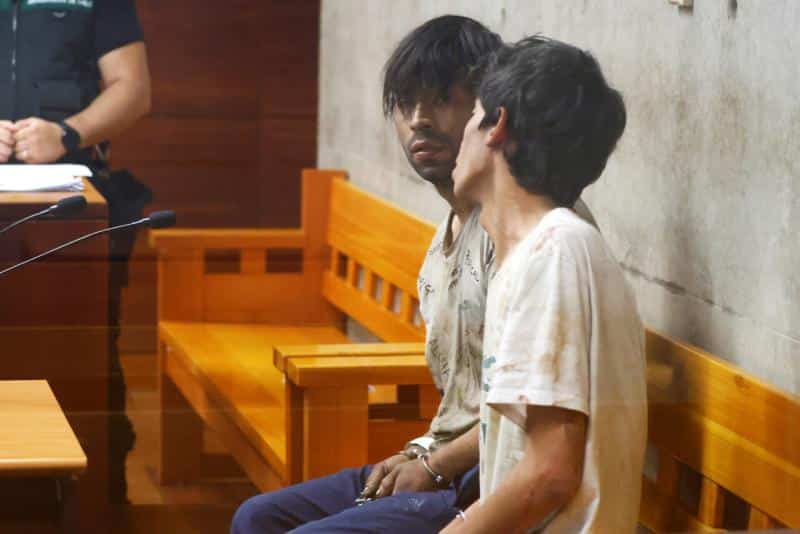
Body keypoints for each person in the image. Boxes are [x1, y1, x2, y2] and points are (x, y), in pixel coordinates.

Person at [231, 15, 503, 534]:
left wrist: (433, 465)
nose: (419, 120)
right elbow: (462, 401)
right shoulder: (446, 236)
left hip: (487, 485)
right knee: (256, 518)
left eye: (442, 99)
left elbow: (521, 410)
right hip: (443, 461)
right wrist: (420, 454)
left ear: (489, 111)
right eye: (405, 103)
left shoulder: (514, 230)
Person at [441, 37, 647, 533]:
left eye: (473, 116)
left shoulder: (555, 252)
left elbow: (550, 473)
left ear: (498, 126)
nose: (461, 137)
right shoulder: (539, 252)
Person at [0, 0, 152, 504]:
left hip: (72, 209)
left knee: (85, 352)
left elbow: (133, 87)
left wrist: (67, 134)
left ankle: (95, 498)